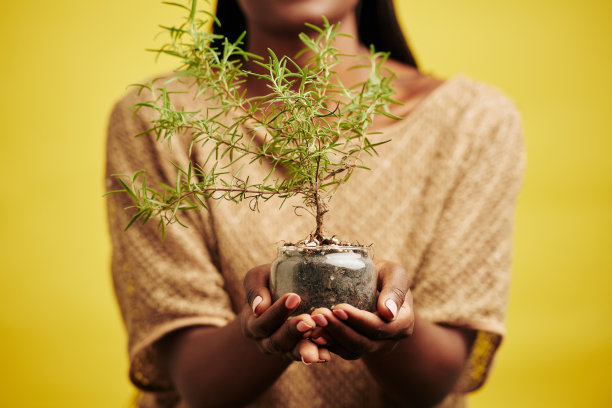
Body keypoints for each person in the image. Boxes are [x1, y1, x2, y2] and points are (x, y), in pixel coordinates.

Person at [106, 0, 525, 406]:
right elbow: (197, 384)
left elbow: (436, 383)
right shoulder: (159, 120)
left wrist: (388, 318)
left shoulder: (473, 121)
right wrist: (263, 325)